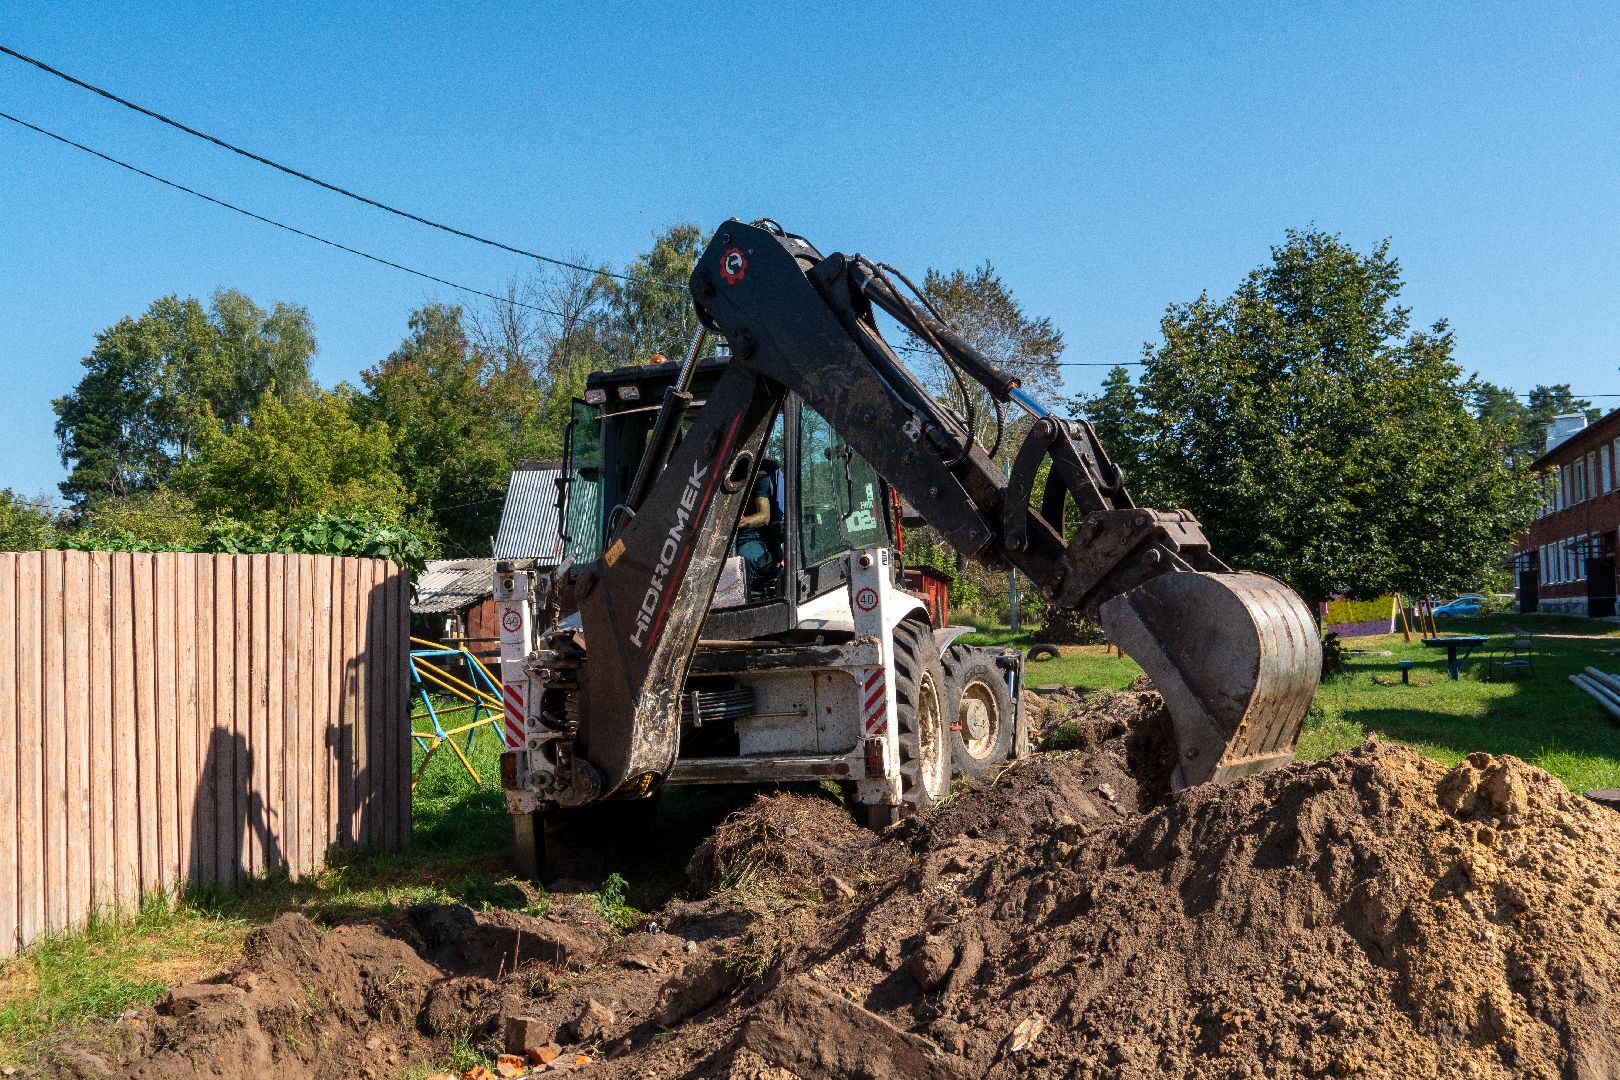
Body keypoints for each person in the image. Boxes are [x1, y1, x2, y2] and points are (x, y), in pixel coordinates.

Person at [735, 459, 780, 595]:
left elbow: (764, 516)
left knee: (741, 563)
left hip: (751, 538)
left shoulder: (760, 476)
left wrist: (741, 522)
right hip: (726, 537)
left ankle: (740, 604)